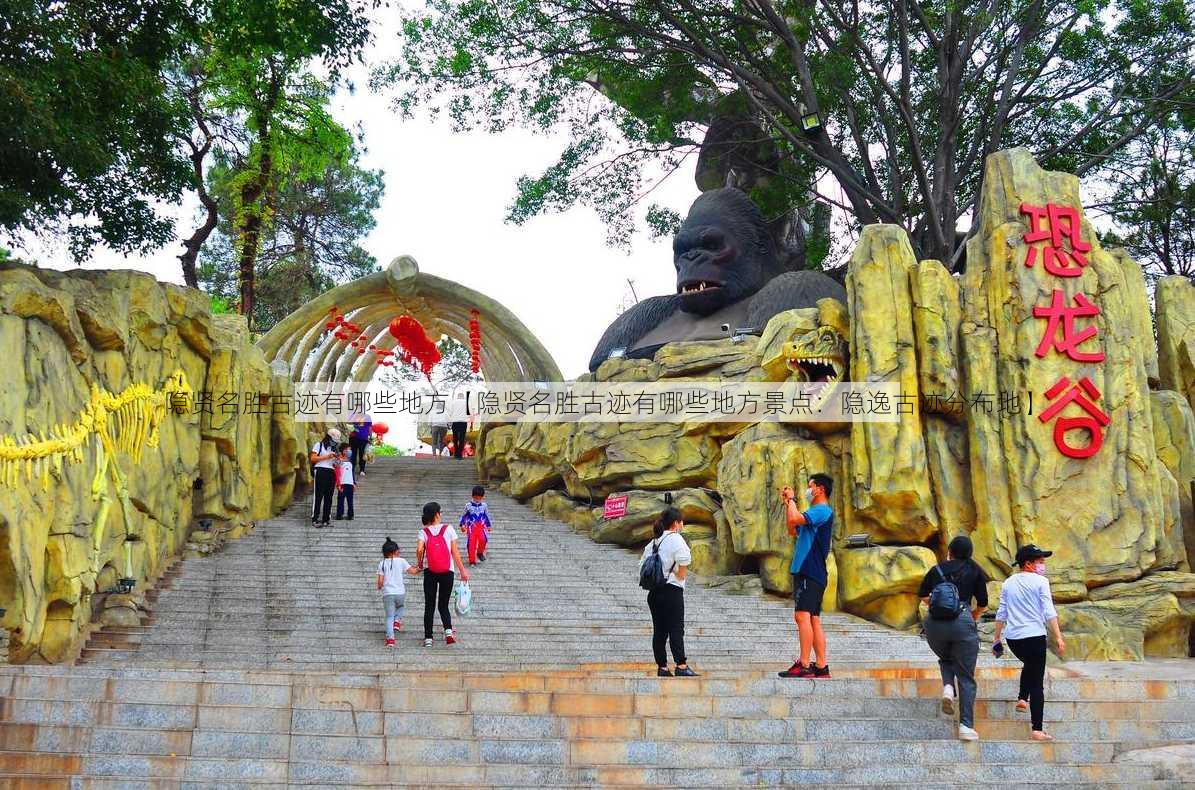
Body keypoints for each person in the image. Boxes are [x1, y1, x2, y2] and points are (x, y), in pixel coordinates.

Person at [917, 534, 989, 741]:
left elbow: (923, 595)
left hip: (934, 624)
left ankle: (948, 687)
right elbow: (982, 603)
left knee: (946, 657)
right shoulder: (975, 570)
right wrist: (971, 616)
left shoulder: (936, 570)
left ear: (950, 551)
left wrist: (938, 604)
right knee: (965, 675)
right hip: (963, 620)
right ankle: (966, 726)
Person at [993, 544, 1065, 741]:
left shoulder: (1008, 583)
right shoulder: (1041, 582)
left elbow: (1002, 612)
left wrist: (996, 639)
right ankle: (1037, 729)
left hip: (1014, 639)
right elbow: (1049, 611)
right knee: (1037, 682)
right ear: (1028, 563)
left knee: (1030, 665)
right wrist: (1058, 636)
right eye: (1040, 561)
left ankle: (1022, 699)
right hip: (1034, 637)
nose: (1043, 565)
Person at [778, 473, 834, 679]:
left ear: (820, 489)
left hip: (809, 570)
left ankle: (804, 664)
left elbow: (795, 518)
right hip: (815, 572)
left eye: (810, 486)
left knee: (802, 616)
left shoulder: (821, 510)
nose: (808, 490)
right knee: (814, 619)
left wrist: (792, 499)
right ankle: (821, 666)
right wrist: (788, 504)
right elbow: (792, 529)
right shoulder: (815, 512)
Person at [640, 507, 697, 677]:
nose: (682, 525)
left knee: (660, 631)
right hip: (672, 590)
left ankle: (662, 667)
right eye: (681, 521)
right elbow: (684, 564)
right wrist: (677, 574)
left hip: (654, 593)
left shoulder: (653, 542)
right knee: (676, 629)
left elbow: (642, 565)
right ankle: (681, 665)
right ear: (676, 523)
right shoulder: (676, 539)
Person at [415, 502, 469, 647]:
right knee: (443, 605)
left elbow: (419, 550)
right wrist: (463, 570)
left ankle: (428, 638)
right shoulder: (449, 529)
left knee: (429, 605)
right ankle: (448, 632)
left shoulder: (423, 532)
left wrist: (420, 563)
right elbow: (455, 552)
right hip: (447, 571)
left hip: (430, 572)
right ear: (437, 514)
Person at [377, 537, 421, 647]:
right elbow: (413, 571)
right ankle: (397, 621)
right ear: (395, 551)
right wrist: (420, 567)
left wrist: (380, 587)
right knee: (401, 607)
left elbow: (380, 582)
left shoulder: (382, 563)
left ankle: (390, 640)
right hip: (400, 593)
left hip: (388, 594)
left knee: (389, 617)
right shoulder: (401, 561)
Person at [309, 428, 341, 528]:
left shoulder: (334, 449)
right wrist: (327, 456)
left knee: (329, 497)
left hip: (331, 472)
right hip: (320, 470)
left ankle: (326, 519)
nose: (334, 443)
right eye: (333, 440)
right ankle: (315, 519)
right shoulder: (319, 445)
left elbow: (336, 465)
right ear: (328, 438)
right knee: (318, 495)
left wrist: (337, 460)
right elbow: (313, 458)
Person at [459, 485, 493, 565]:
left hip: (481, 527)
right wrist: (462, 525)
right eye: (476, 498)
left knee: (483, 540)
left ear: (483, 497)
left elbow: (486, 515)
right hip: (471, 528)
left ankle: (480, 553)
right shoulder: (468, 505)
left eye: (479, 498)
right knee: (471, 543)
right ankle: (472, 560)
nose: (477, 500)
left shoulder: (484, 505)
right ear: (472, 496)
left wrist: (489, 525)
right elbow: (464, 516)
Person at [334, 443, 355, 521]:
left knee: (350, 500)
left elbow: (351, 473)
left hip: (350, 483)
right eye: (347, 450)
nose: (349, 451)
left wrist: (354, 483)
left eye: (350, 449)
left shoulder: (350, 461)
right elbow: (337, 472)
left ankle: (350, 515)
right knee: (341, 500)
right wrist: (338, 484)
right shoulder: (339, 460)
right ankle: (339, 514)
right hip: (342, 483)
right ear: (343, 451)